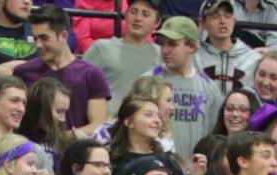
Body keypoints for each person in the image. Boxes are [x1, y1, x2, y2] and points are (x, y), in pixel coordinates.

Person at [13, 5, 109, 136]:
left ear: (63, 36)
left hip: (75, 152)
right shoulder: (23, 72)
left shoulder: (91, 74)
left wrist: (59, 139)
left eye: (44, 38)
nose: (38, 45)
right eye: (35, 38)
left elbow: (98, 125)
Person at [149, 17, 222, 164]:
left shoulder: (209, 87)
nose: (165, 50)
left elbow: (213, 135)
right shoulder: (149, 81)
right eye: (162, 43)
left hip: (194, 170)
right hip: (155, 168)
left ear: (192, 47)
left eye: (172, 44)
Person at [83, 0, 161, 115]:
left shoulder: (160, 54)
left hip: (145, 127)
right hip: (107, 128)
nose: (138, 18)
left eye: (145, 14)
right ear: (126, 14)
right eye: (133, 12)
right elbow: (79, 88)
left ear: (157, 22)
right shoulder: (102, 48)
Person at [194, 0, 260, 95]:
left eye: (227, 16)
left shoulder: (253, 59)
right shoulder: (193, 57)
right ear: (202, 23)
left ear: (234, 21)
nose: (222, 21)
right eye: (215, 16)